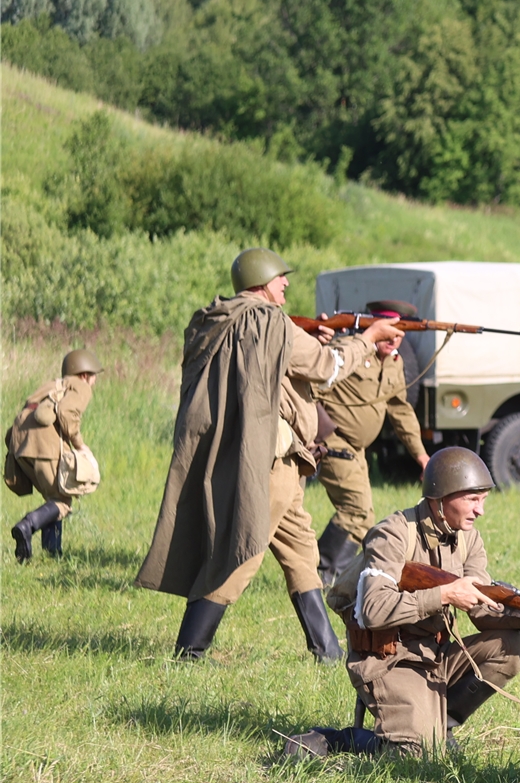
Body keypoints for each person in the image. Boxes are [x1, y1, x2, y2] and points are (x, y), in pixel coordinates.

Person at [136, 248, 400, 663]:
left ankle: (327, 652)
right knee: (243, 552)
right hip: (270, 462)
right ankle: (189, 652)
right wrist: (366, 341)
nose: (287, 285)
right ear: (262, 281)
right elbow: (327, 367)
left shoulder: (217, 321)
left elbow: (273, 369)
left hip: (268, 456)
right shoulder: (271, 323)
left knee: (301, 552)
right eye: (281, 278)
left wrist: (310, 342)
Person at [321, 448, 520, 757]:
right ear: (440, 498)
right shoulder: (392, 534)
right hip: (388, 659)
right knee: (416, 756)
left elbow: (483, 611)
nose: (480, 511)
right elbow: (372, 610)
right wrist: (444, 595)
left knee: (513, 647)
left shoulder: (468, 539)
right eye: (472, 500)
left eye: (483, 500)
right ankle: (342, 740)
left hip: (435, 654)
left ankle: (439, 726)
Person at [314, 298, 431, 586]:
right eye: (389, 331)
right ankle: (321, 576)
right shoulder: (349, 351)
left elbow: (400, 409)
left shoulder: (394, 361)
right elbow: (313, 381)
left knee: (365, 518)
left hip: (357, 451)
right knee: (356, 512)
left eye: (401, 334)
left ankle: (333, 576)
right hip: (334, 442)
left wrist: (422, 457)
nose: (395, 339)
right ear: (373, 326)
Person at [7, 347, 101, 562]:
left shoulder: (52, 385)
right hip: (41, 442)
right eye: (94, 376)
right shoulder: (80, 386)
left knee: (54, 498)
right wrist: (79, 445)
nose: (94, 381)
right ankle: (27, 526)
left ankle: (52, 553)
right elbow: (67, 411)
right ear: (84, 375)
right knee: (62, 501)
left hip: (19, 444)